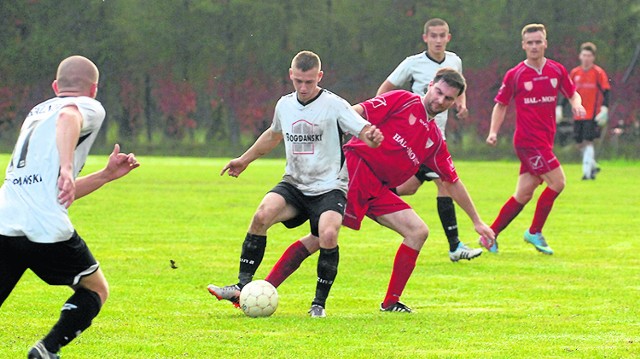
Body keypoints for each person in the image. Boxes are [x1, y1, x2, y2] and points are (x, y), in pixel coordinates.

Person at [265, 68, 494, 313]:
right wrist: (331, 131)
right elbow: (356, 112)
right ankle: (264, 288)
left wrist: (477, 221)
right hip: (355, 172)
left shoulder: (434, 139)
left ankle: (391, 302)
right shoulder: (403, 100)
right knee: (321, 238)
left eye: (448, 98)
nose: (440, 100)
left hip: (379, 189)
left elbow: (452, 181)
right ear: (430, 86)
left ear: (455, 101)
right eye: (438, 92)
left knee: (417, 231)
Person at [207, 50, 383, 318]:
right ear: (291, 75)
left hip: (329, 188)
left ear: (319, 77)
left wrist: (372, 136)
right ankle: (241, 286)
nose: (303, 87)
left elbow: (363, 131)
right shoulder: (284, 105)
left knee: (328, 234)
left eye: (309, 82)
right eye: (298, 81)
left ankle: (318, 305)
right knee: (261, 215)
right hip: (295, 185)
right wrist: (244, 160)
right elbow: (273, 135)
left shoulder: (335, 105)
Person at [0, 56, 140, 359]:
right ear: (93, 89)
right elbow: (69, 116)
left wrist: (104, 175)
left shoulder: (35, 113)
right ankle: (46, 350)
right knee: (96, 290)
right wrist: (66, 168)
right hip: (46, 228)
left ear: (54, 86)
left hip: (5, 219)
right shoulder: (87, 106)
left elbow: (60, 192)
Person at [376, 18, 482, 262]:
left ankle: (371, 195)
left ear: (448, 37)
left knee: (409, 188)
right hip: (414, 139)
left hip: (435, 140)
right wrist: (382, 116)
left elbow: (459, 88)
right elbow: (385, 89)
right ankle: (455, 245)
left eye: (441, 35)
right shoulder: (412, 63)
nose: (437, 40)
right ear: (425, 38)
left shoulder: (455, 61)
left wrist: (462, 105)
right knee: (445, 183)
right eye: (433, 35)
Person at [479, 24, 586, 255]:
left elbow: (572, 93)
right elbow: (501, 105)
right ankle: (534, 232)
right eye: (530, 43)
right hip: (528, 142)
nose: (534, 46)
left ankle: (490, 236)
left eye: (539, 42)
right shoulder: (515, 74)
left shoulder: (556, 70)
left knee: (523, 194)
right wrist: (493, 132)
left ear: (545, 43)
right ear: (523, 46)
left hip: (545, 141)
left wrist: (577, 104)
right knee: (558, 182)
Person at [557, 42, 611, 180]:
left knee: (588, 141)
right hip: (578, 114)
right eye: (584, 55)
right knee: (579, 142)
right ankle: (593, 165)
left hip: (593, 114)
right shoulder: (575, 73)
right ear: (580, 56)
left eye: (589, 56)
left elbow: (606, 91)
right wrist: (560, 107)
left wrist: (604, 108)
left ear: (593, 57)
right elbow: (568, 91)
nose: (586, 58)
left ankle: (587, 173)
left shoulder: (598, 73)